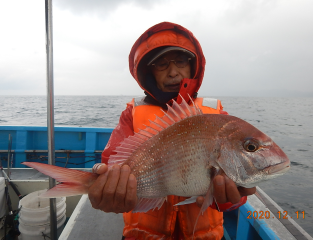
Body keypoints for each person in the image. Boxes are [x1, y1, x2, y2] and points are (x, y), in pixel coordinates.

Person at [88, 22, 256, 240]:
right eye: (161, 64)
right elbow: (113, 164)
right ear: (149, 71)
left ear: (193, 66)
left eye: (180, 61)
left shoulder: (214, 115)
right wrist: (108, 189)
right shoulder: (132, 113)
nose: (173, 72)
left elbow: (236, 173)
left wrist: (231, 198)